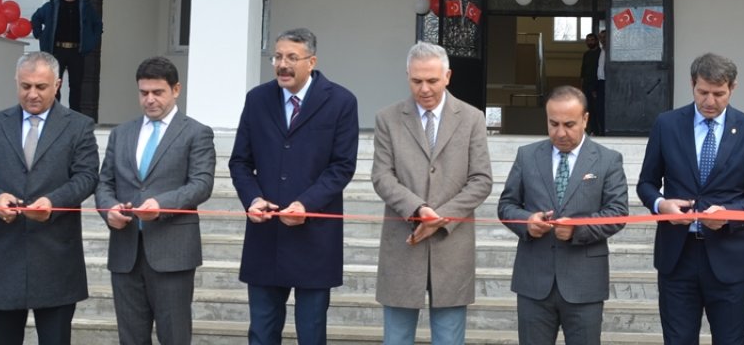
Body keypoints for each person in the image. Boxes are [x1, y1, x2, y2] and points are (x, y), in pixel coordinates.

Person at [0, 51, 100, 345]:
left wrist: (53, 202)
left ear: (58, 84)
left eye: (41, 87)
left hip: (56, 255)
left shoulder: (79, 126)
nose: (32, 94)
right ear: (16, 83)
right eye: (25, 86)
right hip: (4, 253)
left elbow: (86, 177)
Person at [230, 28, 359, 345]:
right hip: (266, 234)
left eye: (291, 57)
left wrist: (306, 204)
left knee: (311, 332)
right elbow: (240, 162)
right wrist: (253, 199)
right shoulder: (257, 99)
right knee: (261, 332)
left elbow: (342, 166)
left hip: (314, 236)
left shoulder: (341, 101)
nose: (282, 65)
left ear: (311, 61)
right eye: (277, 57)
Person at [636, 52, 744, 345]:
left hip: (729, 258)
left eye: (718, 93)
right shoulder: (667, 124)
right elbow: (647, 183)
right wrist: (661, 205)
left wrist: (729, 212)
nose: (710, 101)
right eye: (703, 92)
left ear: (733, 88)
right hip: (677, 256)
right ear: (692, 84)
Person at [371, 41, 493, 344]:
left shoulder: (472, 117)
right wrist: (418, 210)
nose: (424, 89)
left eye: (432, 81)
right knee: (396, 338)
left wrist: (440, 218)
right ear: (408, 76)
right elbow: (382, 176)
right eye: (416, 81)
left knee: (449, 338)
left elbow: (481, 180)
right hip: (403, 244)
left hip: (451, 245)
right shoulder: (388, 118)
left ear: (448, 76)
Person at [95, 56, 216, 345]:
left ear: (176, 90)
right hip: (125, 252)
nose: (149, 100)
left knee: (174, 336)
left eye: (157, 92)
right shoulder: (121, 133)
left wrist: (161, 205)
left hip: (172, 253)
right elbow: (104, 183)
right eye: (143, 92)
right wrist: (108, 209)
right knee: (131, 338)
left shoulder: (196, 133)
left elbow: (201, 184)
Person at [497, 85, 628, 345]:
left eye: (569, 124)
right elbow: (507, 204)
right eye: (553, 123)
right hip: (534, 281)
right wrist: (527, 222)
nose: (560, 133)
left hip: (584, 282)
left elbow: (617, 212)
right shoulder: (527, 155)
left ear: (585, 119)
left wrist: (578, 229)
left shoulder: (607, 160)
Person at [30, 0, 103, 115]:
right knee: (54, 84)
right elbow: (36, 18)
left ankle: (74, 115)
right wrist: (39, 34)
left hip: (77, 51)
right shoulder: (53, 5)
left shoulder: (85, 6)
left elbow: (97, 24)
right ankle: (55, 113)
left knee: (76, 85)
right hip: (57, 50)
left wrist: (92, 41)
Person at [579, 33, 601, 135]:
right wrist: (582, 84)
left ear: (596, 41)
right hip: (586, 86)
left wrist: (595, 88)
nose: (590, 42)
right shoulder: (586, 54)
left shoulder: (600, 53)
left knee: (596, 109)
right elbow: (583, 70)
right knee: (588, 109)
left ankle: (598, 130)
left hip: (596, 86)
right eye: (588, 40)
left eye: (592, 40)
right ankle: (591, 130)